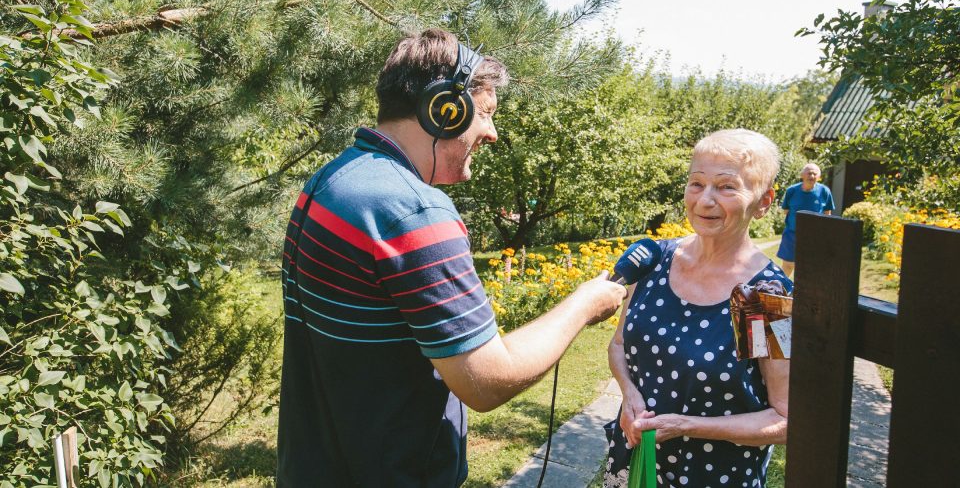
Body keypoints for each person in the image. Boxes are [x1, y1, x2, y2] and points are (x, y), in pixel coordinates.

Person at [276, 29, 626, 486]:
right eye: (486, 114)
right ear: (446, 108)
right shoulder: (414, 211)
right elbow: (486, 381)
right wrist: (584, 304)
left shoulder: (333, 179)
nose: (492, 133)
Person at [603, 129, 793, 488]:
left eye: (726, 187)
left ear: (764, 201)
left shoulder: (762, 299)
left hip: (713, 476)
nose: (705, 200)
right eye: (697, 183)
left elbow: (784, 418)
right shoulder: (655, 262)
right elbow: (618, 346)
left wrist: (685, 426)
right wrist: (629, 393)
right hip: (633, 463)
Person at [776, 162, 834, 277]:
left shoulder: (824, 191)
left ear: (818, 176)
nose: (811, 176)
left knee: (810, 267)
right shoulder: (792, 191)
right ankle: (782, 290)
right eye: (809, 173)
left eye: (814, 174)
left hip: (814, 236)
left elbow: (827, 213)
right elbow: (786, 211)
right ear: (802, 175)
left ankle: (806, 293)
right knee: (788, 265)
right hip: (792, 235)